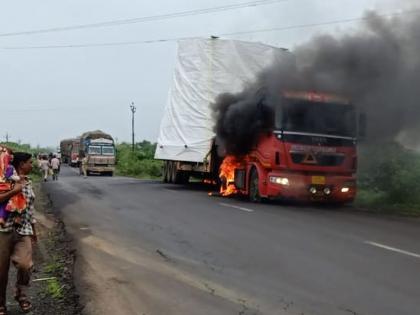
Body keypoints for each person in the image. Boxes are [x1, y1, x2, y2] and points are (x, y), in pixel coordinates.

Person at [0, 152, 37, 315]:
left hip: (23, 229)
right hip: (3, 230)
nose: (32, 165)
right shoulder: (4, 179)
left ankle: (20, 294)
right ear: (21, 164)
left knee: (25, 265)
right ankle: (0, 303)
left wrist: (34, 232)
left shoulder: (28, 183)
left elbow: (30, 209)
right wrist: (15, 191)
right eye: (30, 162)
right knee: (1, 270)